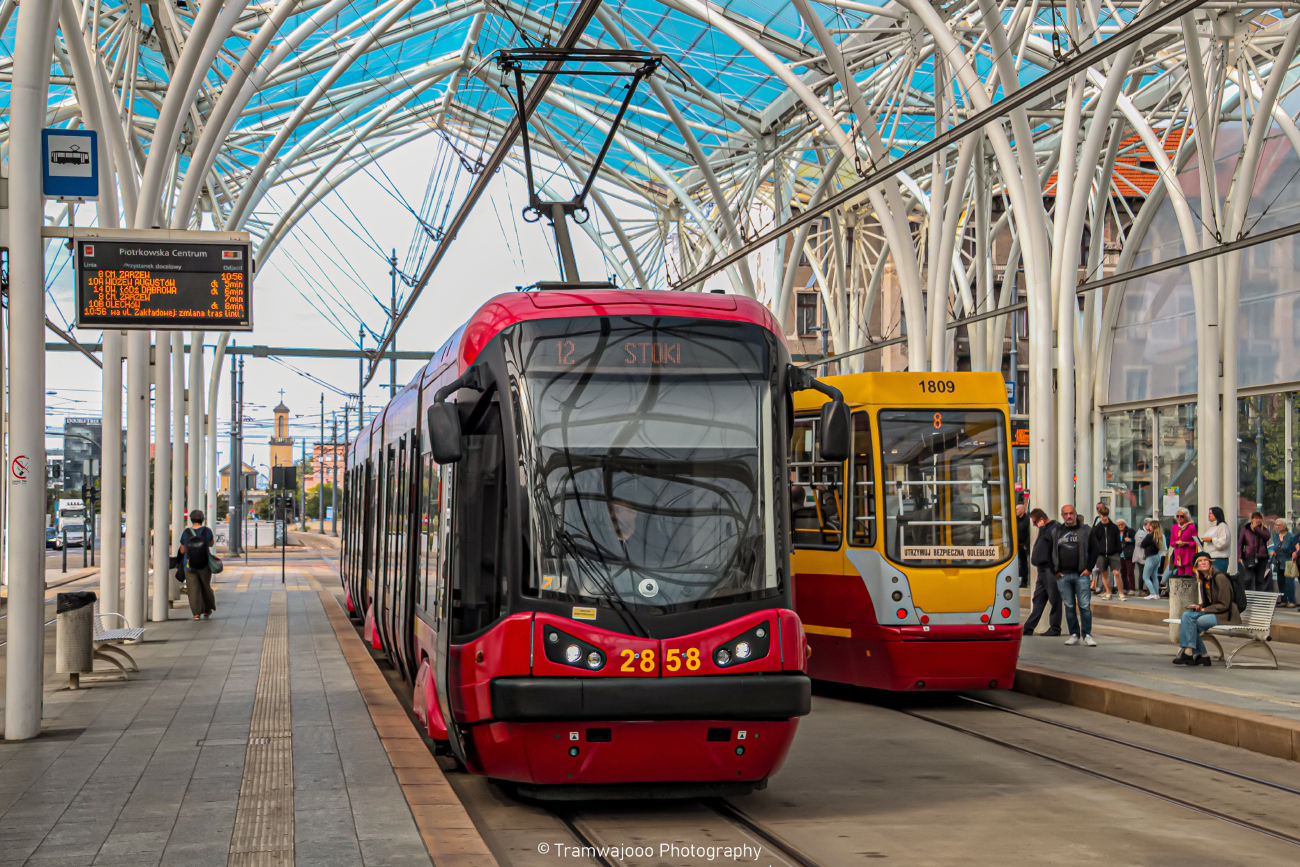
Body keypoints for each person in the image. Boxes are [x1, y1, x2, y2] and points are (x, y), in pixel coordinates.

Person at [1173, 551, 1240, 666]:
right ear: (1196, 566)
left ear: (1210, 563)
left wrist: (1204, 610)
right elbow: (1208, 602)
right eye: (1200, 561)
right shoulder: (1204, 580)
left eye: (1206, 560)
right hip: (1215, 612)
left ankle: (1189, 653)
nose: (1203, 563)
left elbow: (1224, 604)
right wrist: (1200, 606)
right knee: (1186, 616)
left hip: (1225, 615)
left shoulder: (1220, 577)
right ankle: (1203, 655)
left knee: (1192, 623)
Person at [1052, 504, 1095, 646]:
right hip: (1063, 576)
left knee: (1084, 606)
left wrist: (1089, 569)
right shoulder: (1056, 531)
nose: (1069, 516)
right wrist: (1055, 571)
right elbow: (1048, 551)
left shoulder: (1085, 530)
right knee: (1069, 606)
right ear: (1062, 515)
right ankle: (1074, 634)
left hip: (1081, 574)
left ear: (1075, 514)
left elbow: (1095, 549)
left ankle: (1087, 634)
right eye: (1066, 514)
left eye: (1071, 513)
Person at [1023, 508, 1062, 636]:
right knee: (1038, 598)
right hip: (1041, 570)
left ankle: (1055, 627)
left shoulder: (1054, 528)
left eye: (1035, 522)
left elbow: (1051, 541)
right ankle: (1029, 627)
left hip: (1050, 569)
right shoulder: (1045, 529)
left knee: (1054, 598)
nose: (1034, 525)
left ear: (1041, 520)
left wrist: (1042, 528)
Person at [179, 509, 216, 620]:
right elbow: (211, 544)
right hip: (204, 564)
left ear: (191, 519)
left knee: (193, 589)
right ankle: (207, 609)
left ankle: (196, 613)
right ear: (202, 519)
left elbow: (182, 550)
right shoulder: (207, 531)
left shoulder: (186, 533)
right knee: (205, 586)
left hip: (189, 565)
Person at [1090, 504, 1124, 601]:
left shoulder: (1113, 527)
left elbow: (1117, 540)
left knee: (1116, 572)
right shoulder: (1097, 528)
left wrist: (1118, 551)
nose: (1105, 517)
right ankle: (1108, 592)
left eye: (1106, 515)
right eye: (1103, 515)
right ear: (1100, 515)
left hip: (1113, 553)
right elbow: (1094, 541)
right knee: (1103, 573)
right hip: (1101, 554)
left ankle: (1121, 593)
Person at [1237, 511, 1272, 592]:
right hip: (1249, 557)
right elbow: (1240, 543)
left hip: (1262, 557)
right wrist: (1239, 556)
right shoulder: (1245, 529)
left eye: (1259, 518)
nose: (1258, 520)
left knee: (1260, 579)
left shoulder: (1264, 529)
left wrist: (1256, 529)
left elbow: (1267, 537)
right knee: (1248, 578)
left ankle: (1259, 598)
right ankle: (1246, 596)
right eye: (1256, 518)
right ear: (1252, 519)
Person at [1271, 519, 1299, 608]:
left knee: (1289, 582)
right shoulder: (1276, 536)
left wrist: (1294, 554)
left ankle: (1291, 601)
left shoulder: (1291, 536)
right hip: (1278, 561)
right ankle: (1284, 600)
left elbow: (1295, 548)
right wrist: (1273, 551)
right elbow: (1275, 546)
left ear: (1285, 526)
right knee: (1280, 581)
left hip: (1288, 561)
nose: (1277, 527)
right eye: (1276, 525)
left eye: (1279, 525)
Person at [1135, 517, 1164, 599]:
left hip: (1150, 557)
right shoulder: (1158, 536)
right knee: (1154, 576)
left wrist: (1147, 534)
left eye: (1150, 526)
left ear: (1153, 527)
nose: (1148, 527)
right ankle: (1157, 594)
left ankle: (1152, 593)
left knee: (1145, 577)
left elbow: (1142, 544)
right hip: (1156, 557)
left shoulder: (1150, 536)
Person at [1169, 508, 1199, 578]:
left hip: (1188, 555)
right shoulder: (1174, 527)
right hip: (1178, 556)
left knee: (1188, 577)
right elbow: (1171, 542)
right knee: (1180, 577)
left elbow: (1196, 542)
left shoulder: (1191, 527)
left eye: (1182, 516)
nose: (1179, 518)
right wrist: (1176, 543)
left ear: (1186, 517)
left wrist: (1186, 543)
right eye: (1177, 516)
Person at [1200, 506, 1230, 573]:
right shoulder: (1212, 527)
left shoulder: (1222, 526)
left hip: (1219, 559)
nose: (1208, 515)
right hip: (1211, 558)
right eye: (1208, 513)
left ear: (1216, 514)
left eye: (1210, 513)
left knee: (1218, 579)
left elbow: (1224, 542)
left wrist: (1211, 540)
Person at [1117, 518, 1136, 596]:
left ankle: (1131, 589)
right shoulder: (1116, 533)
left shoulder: (1130, 531)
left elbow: (1136, 540)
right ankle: (1125, 588)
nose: (1121, 526)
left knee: (1130, 572)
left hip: (1128, 554)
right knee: (1123, 572)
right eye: (1119, 525)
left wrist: (1130, 540)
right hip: (1120, 555)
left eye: (1122, 524)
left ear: (1125, 524)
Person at [1016, 501, 1031, 588]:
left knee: (1023, 564)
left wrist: (1026, 545)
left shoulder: (1027, 520)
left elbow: (1029, 533)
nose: (1016, 511)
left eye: (1017, 509)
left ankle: (1024, 582)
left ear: (1023, 510)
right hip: (1015, 545)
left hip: (1023, 545)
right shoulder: (1015, 520)